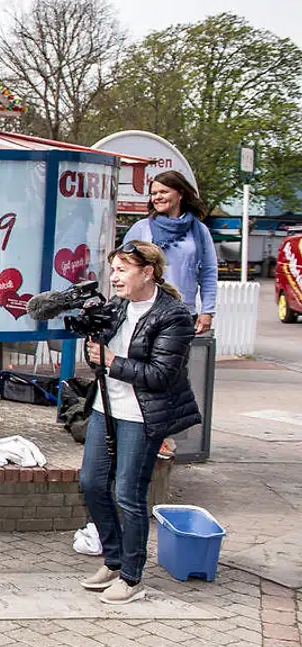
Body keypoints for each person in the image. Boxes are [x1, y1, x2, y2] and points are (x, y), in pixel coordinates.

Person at [79, 241, 201, 605]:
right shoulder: (118, 306)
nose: (114, 277)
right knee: (91, 483)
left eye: (122, 270)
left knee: (128, 494)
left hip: (142, 414)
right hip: (107, 408)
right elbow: (102, 355)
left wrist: (111, 360)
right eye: (113, 269)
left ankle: (132, 578)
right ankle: (114, 560)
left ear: (147, 272)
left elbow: (162, 374)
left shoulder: (173, 315)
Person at [122, 170, 218, 334]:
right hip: (145, 311)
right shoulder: (141, 228)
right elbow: (122, 269)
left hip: (184, 312)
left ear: (180, 194)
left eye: (163, 192)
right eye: (153, 193)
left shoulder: (199, 230)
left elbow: (208, 271)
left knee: (177, 359)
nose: (157, 197)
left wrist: (207, 311)